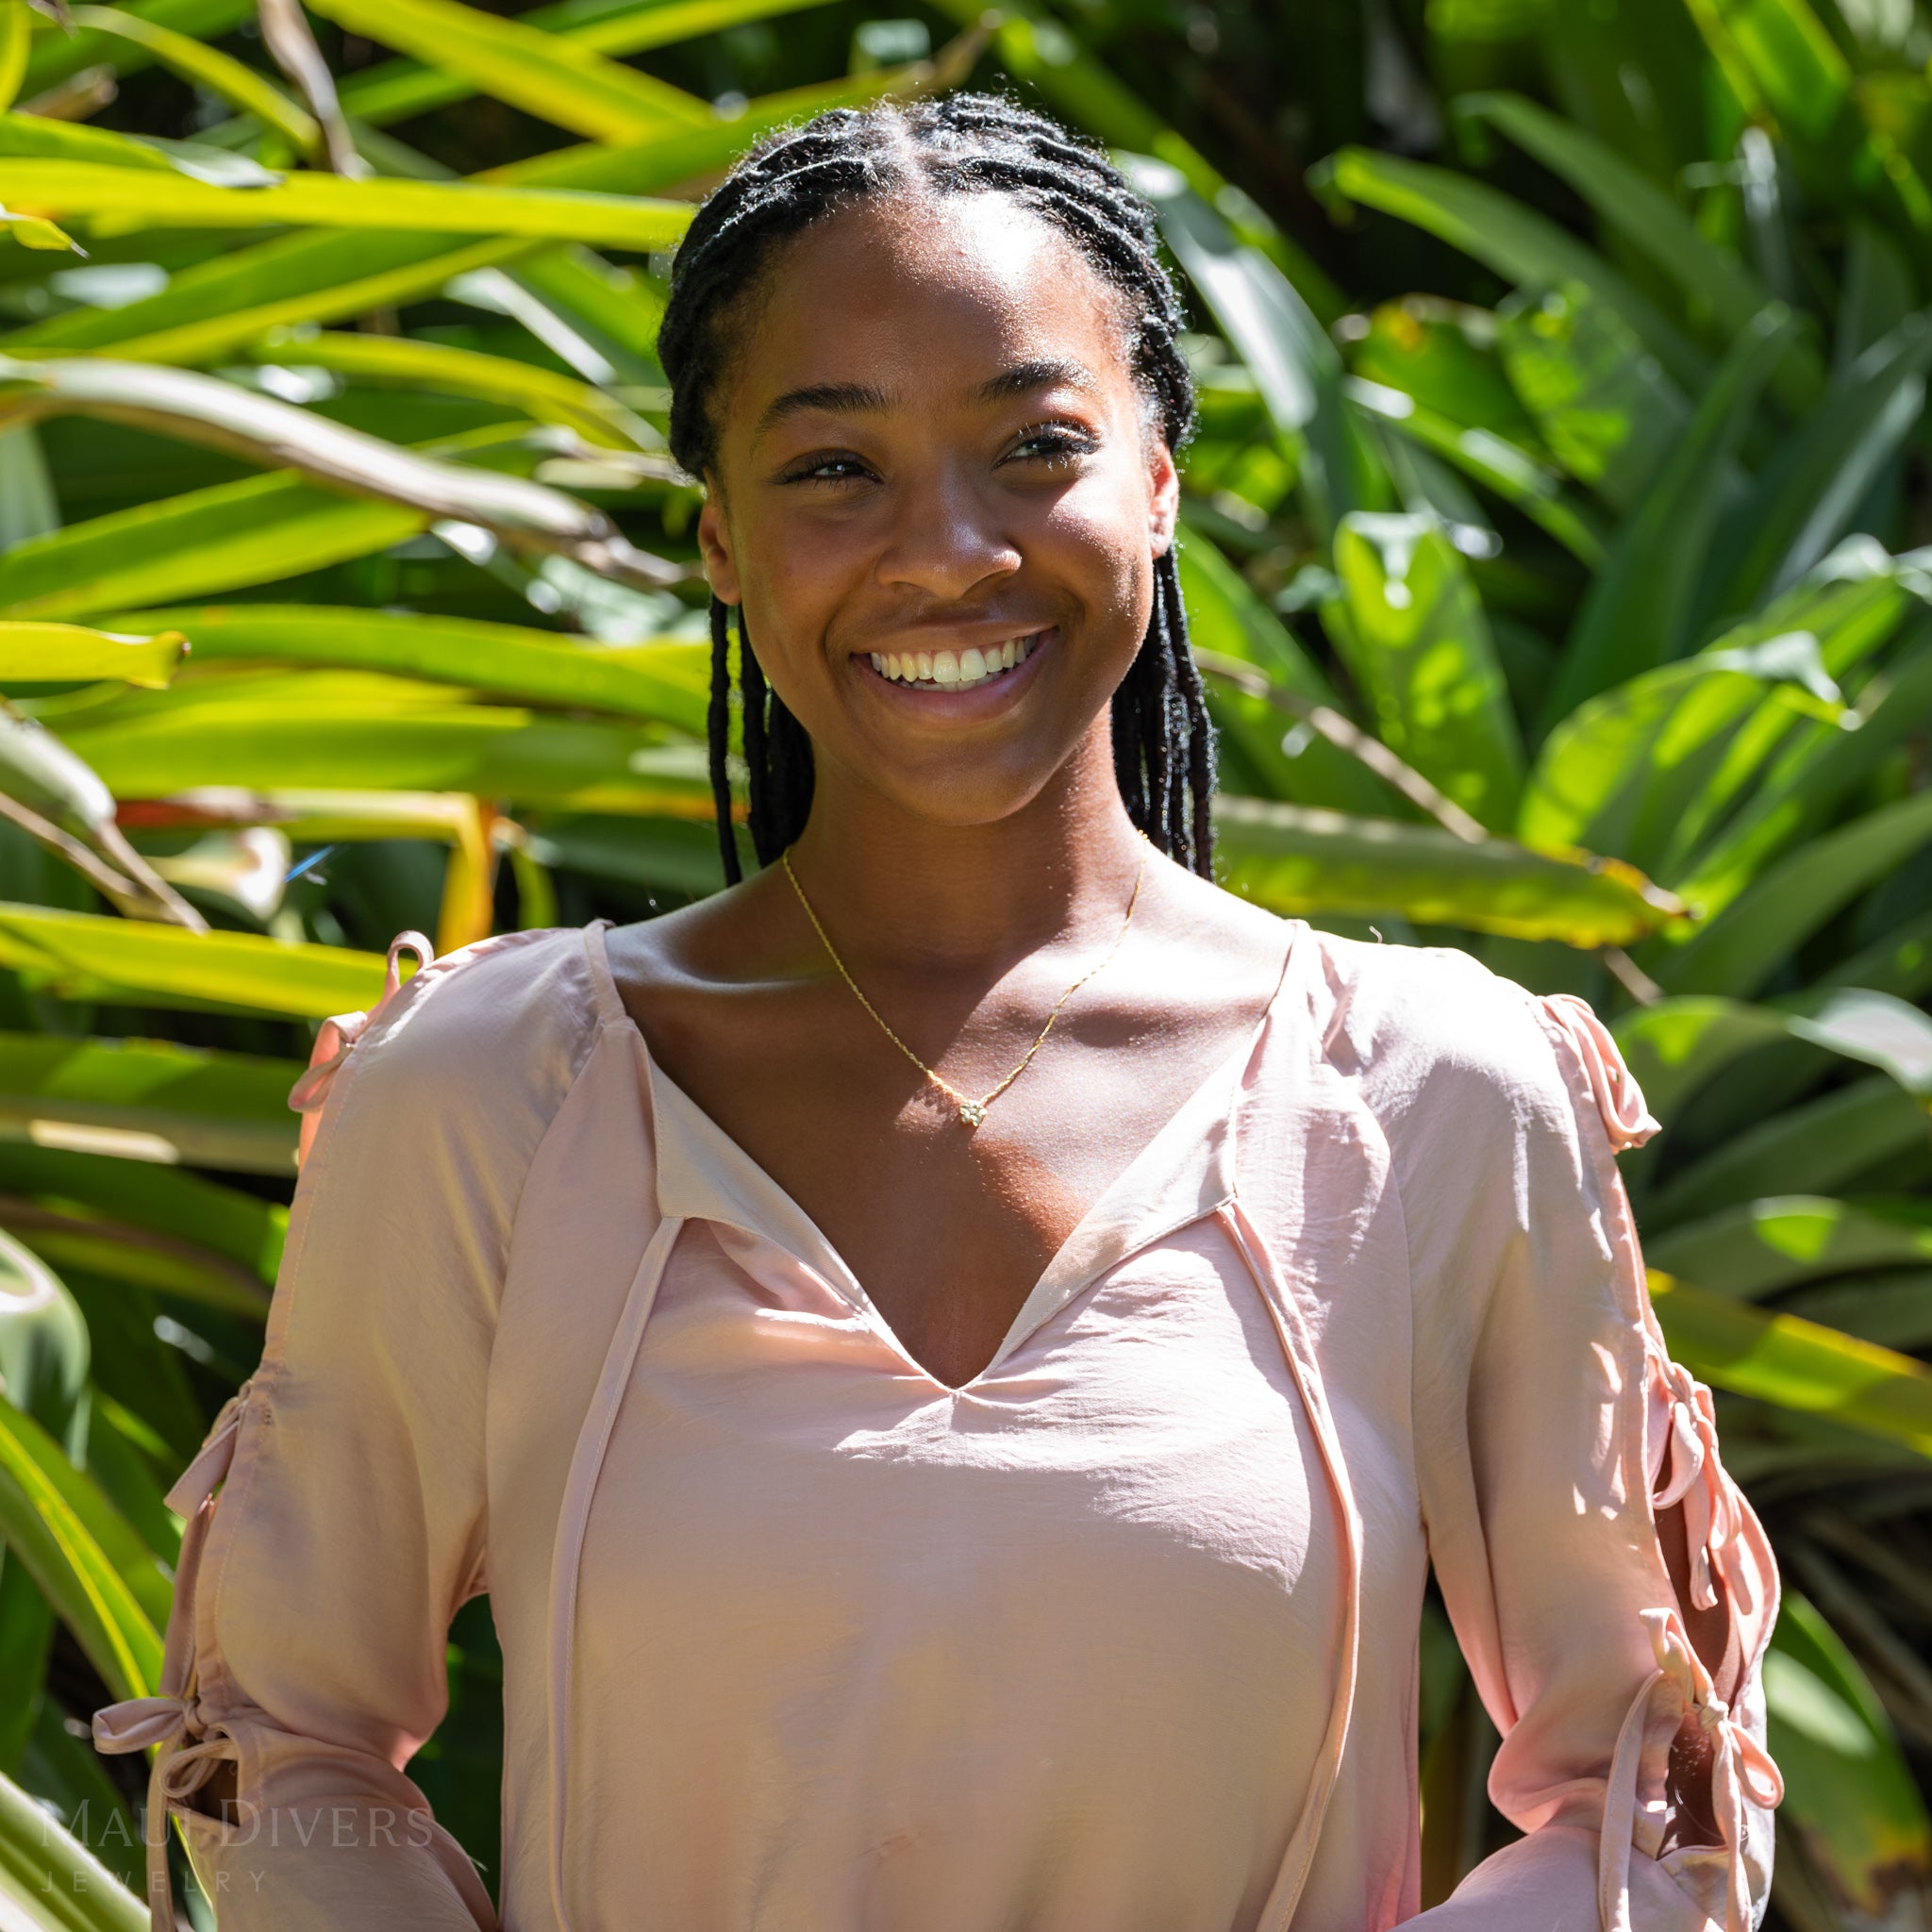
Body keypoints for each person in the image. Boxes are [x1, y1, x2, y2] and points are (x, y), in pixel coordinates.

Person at [92, 92, 1781, 1932]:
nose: (946, 548)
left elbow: (1648, 1809)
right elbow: (285, 1745)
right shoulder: (499, 1092)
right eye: (831, 469)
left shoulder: (1430, 1091)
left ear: (1157, 481)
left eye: (1031, 444)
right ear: (720, 538)